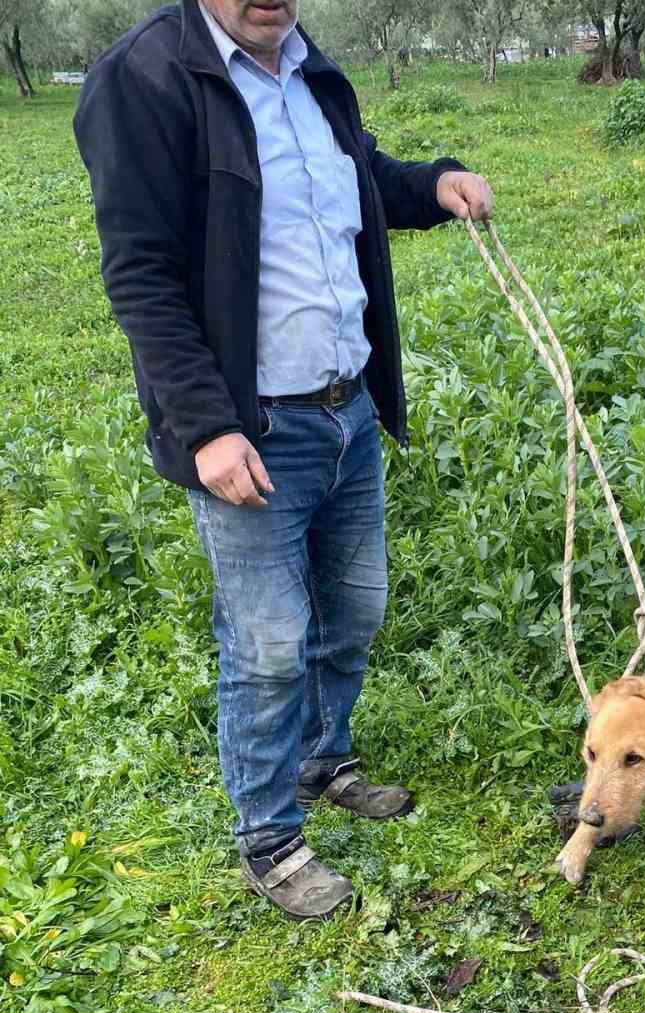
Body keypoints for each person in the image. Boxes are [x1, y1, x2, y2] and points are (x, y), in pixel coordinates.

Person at [74, 0, 493, 919]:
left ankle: (322, 757)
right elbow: (139, 273)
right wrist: (203, 426)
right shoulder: (144, 80)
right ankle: (268, 837)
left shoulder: (309, 69)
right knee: (267, 644)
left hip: (345, 411)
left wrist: (436, 183)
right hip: (250, 426)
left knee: (355, 609)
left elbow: (361, 181)